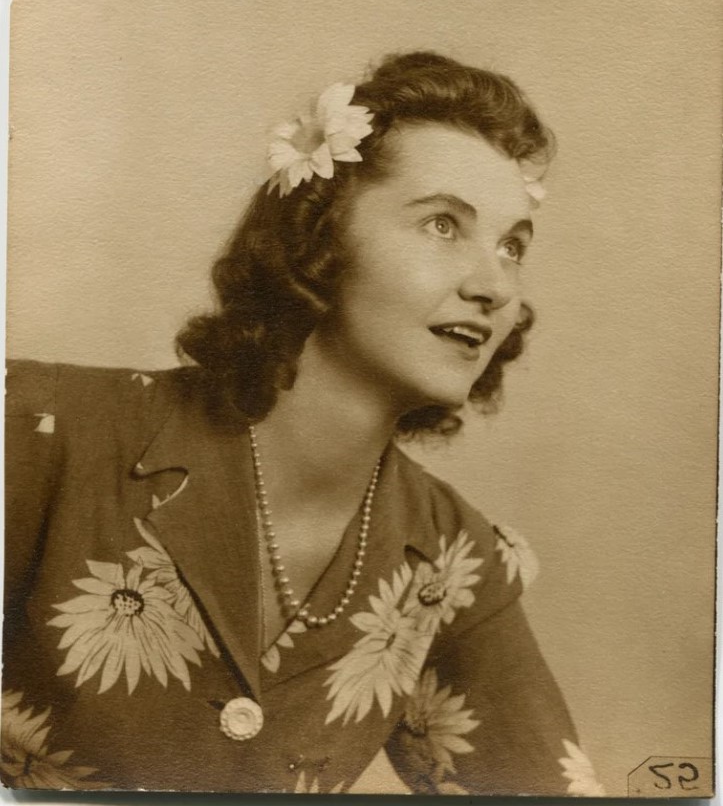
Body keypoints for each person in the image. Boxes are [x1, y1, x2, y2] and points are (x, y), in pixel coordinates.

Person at [2, 51, 604, 795]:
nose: (491, 285)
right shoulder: (37, 432)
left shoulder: (452, 560)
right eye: (443, 224)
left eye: (511, 246)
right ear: (319, 235)